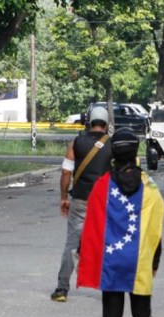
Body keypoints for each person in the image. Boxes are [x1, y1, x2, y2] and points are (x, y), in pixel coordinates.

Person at [77, 127, 164, 317]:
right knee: (143, 316)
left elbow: (91, 228)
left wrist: (85, 256)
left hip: (111, 261)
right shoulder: (150, 187)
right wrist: (155, 261)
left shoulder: (102, 186)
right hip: (139, 261)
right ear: (136, 151)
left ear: (113, 152)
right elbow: (155, 229)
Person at [50, 106, 113, 302]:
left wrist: (63, 197)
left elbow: (66, 172)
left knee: (72, 243)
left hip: (80, 200)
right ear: (106, 124)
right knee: (105, 244)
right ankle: (109, 289)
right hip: (104, 201)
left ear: (89, 122)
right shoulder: (113, 145)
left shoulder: (75, 143)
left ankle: (61, 289)